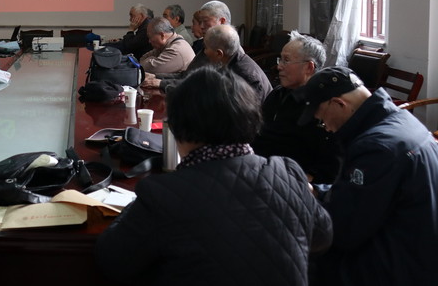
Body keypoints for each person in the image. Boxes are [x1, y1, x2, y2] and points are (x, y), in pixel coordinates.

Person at [96, 67, 332, 286]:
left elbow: (112, 261)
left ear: (177, 127)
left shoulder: (163, 195)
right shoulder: (288, 172)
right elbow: (323, 237)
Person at [295, 66, 438, 286]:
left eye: (322, 121)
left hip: (399, 266)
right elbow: (365, 198)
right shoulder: (402, 121)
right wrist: (316, 191)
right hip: (417, 249)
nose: (327, 129)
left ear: (339, 104)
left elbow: (343, 231)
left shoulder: (376, 148)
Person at [251, 31, 339, 183]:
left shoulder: (323, 106)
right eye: (280, 59)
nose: (279, 66)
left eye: (286, 60)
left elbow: (328, 165)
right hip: (259, 169)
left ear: (309, 67)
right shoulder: (278, 93)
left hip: (290, 181)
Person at [143, 0, 231, 90]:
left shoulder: (229, 53)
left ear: (222, 21)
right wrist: (156, 77)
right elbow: (187, 75)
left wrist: (161, 82)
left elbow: (197, 84)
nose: (201, 26)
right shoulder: (208, 47)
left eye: (205, 21)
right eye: (200, 22)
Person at [202, 24, 272, 101]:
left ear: (219, 54)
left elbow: (247, 108)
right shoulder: (233, 60)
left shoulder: (243, 77)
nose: (204, 52)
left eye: (206, 48)